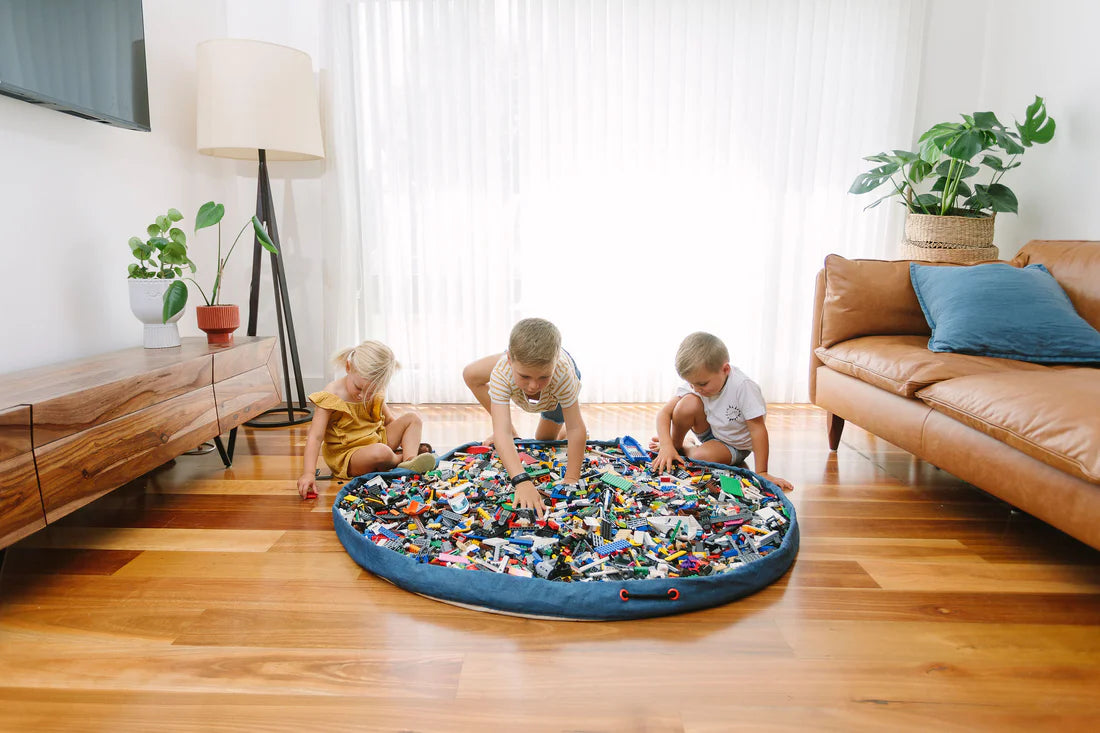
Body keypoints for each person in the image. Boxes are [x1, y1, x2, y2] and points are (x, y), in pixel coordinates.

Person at [462, 318, 587, 518]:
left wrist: (571, 478)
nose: (532, 386)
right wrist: (521, 480)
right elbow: (501, 432)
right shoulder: (502, 373)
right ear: (510, 359)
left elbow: (575, 428)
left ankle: (559, 429)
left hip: (554, 397)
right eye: (525, 377)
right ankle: (518, 436)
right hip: (523, 367)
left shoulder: (563, 375)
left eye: (542, 377)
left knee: (545, 441)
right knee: (507, 435)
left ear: (554, 365)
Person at [650, 331, 793, 491]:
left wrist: (762, 472)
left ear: (725, 369)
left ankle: (686, 446)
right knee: (686, 404)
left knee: (699, 457)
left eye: (702, 384)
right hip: (711, 429)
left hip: (733, 444)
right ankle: (674, 447)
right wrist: (665, 444)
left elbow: (758, 429)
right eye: (692, 384)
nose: (697, 389)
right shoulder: (698, 383)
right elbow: (664, 413)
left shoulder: (743, 387)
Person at [296, 340, 436, 499]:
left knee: (413, 418)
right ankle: (399, 459)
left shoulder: (372, 389)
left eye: (371, 391)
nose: (363, 396)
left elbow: (389, 421)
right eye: (358, 388)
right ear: (349, 367)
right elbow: (315, 437)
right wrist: (308, 473)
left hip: (376, 440)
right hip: (349, 455)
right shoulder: (331, 395)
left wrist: (402, 436)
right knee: (381, 451)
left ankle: (410, 460)